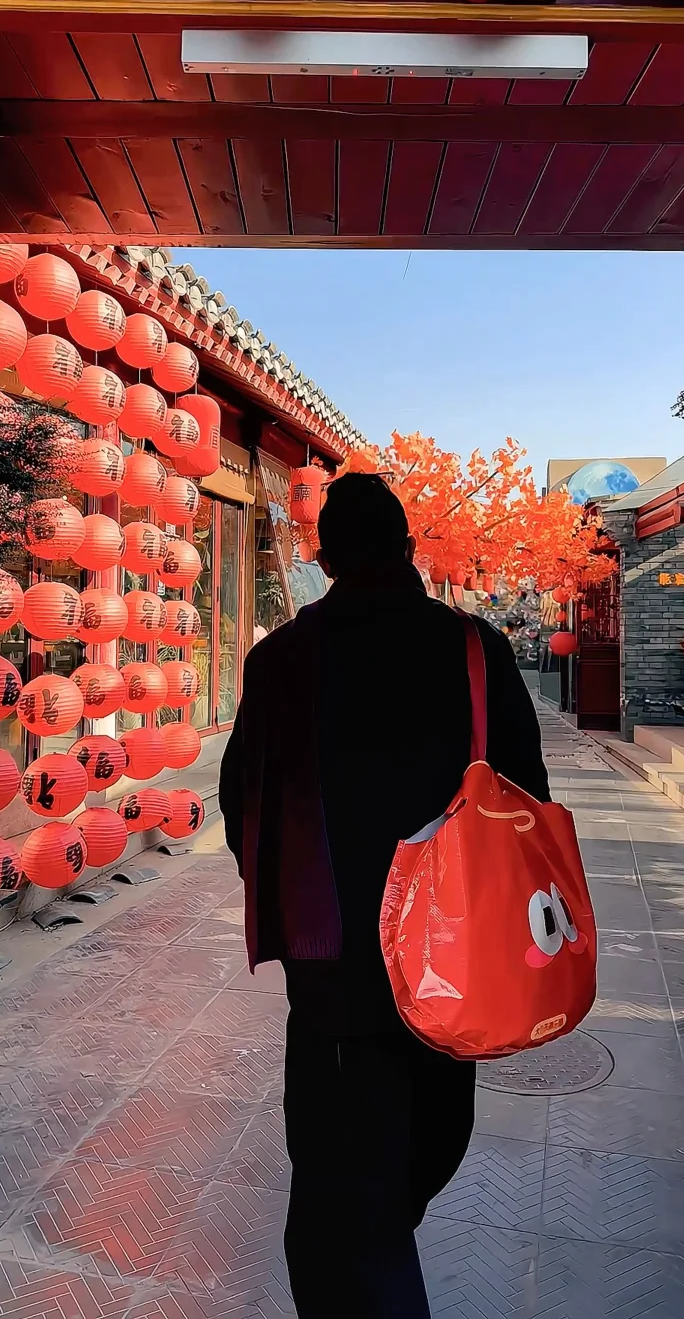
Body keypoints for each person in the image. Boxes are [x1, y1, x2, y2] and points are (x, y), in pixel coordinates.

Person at [220, 472, 550, 1318]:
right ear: (408, 548)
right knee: (418, 1155)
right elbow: (529, 802)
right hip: (458, 969)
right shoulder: (475, 651)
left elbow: (240, 808)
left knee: (340, 1199)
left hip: (336, 971)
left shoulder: (280, 661)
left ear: (325, 558)